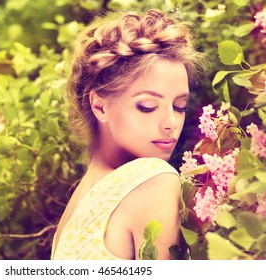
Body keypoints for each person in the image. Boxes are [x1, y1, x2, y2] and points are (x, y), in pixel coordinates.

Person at [51, 8, 207, 260]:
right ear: (100, 106)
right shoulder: (153, 179)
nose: (171, 123)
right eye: (147, 107)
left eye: (179, 106)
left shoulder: (77, 206)